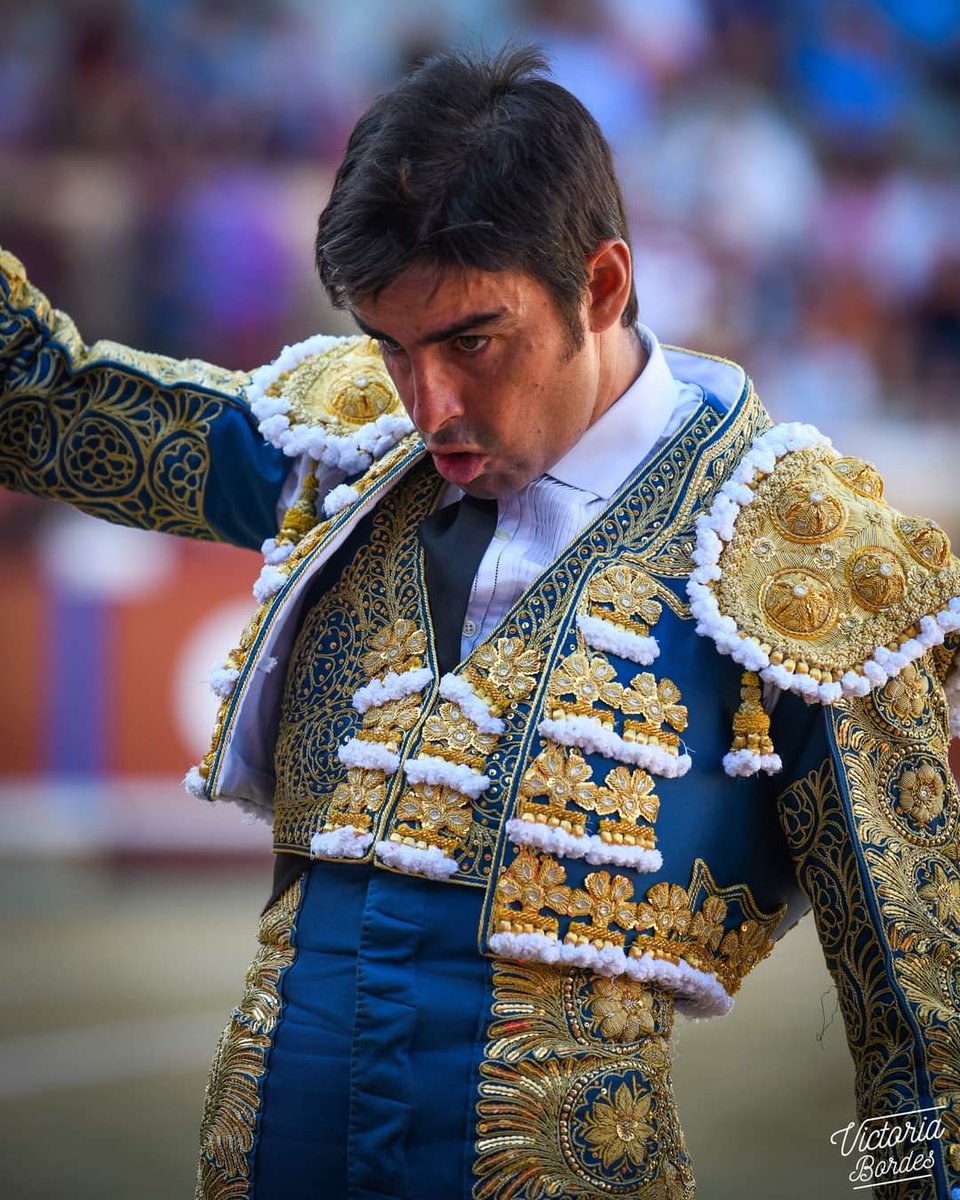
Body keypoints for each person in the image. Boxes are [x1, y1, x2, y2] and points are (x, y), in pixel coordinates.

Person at [2, 44, 959, 1200]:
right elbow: (44, 409)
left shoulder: (807, 558)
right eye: (391, 346)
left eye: (472, 340)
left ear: (601, 287)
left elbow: (928, 1046)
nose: (431, 404)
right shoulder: (347, 448)